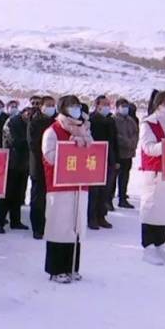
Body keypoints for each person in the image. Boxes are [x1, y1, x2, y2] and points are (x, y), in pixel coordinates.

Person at [41, 95, 93, 283]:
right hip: (60, 187)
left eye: (77, 106)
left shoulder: (85, 129)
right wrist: (71, 146)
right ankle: (56, 269)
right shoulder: (53, 131)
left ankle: (72, 266)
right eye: (71, 106)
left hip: (79, 185)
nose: (75, 109)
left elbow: (92, 153)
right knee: (59, 226)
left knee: (75, 226)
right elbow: (50, 157)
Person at [138, 90, 165, 266]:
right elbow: (148, 148)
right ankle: (148, 248)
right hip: (155, 173)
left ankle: (160, 245)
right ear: (157, 104)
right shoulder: (148, 124)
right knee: (152, 210)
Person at [0, 106, 30, 233]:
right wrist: (31, 142)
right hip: (11, 163)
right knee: (6, 195)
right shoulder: (11, 122)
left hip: (24, 164)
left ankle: (16, 221)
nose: (29, 116)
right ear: (23, 113)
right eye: (28, 113)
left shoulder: (29, 123)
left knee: (18, 194)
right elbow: (14, 141)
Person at [27, 96, 56, 239]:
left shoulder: (56, 121)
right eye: (48, 105)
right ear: (42, 106)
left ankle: (49, 224)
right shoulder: (35, 121)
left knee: (51, 199)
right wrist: (47, 155)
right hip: (39, 165)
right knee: (38, 198)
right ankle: (37, 227)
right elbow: (33, 144)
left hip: (54, 167)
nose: (51, 107)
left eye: (53, 104)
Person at [88, 95, 117, 227]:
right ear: (97, 105)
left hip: (109, 158)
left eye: (108, 104)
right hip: (94, 158)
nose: (106, 106)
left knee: (106, 190)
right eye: (104, 104)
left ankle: (102, 216)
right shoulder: (91, 119)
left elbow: (114, 141)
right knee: (94, 190)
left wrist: (116, 159)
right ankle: (92, 217)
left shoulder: (111, 120)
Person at [113, 98, 139, 209]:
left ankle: (122, 198)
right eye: (122, 106)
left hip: (128, 153)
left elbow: (136, 133)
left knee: (125, 177)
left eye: (126, 106)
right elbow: (115, 135)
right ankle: (109, 199)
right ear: (117, 107)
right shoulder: (114, 120)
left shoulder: (131, 120)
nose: (125, 109)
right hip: (118, 153)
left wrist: (133, 142)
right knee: (113, 177)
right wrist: (126, 142)